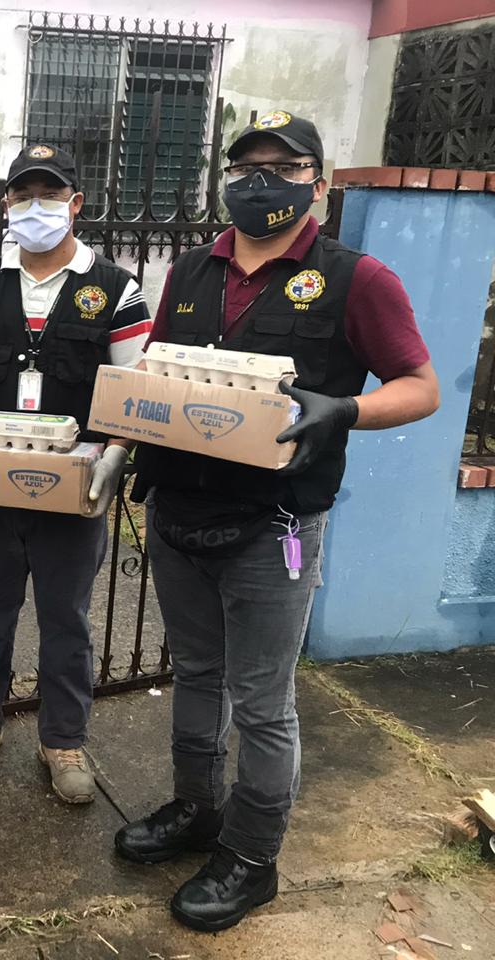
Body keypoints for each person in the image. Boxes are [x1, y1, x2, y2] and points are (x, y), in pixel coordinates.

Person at [113, 111, 439, 932]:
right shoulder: (192, 269)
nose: (261, 182)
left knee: (262, 702)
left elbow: (421, 387)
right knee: (196, 674)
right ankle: (198, 809)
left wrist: (346, 410)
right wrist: (125, 438)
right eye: (246, 166)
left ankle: (253, 858)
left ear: (316, 184)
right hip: (180, 513)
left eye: (284, 167)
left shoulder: (357, 278)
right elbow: (160, 370)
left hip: (273, 527)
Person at [0, 144, 151, 801]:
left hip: (71, 496)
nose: (35, 207)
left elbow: (135, 391)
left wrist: (114, 457)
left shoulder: (116, 289)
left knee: (66, 620)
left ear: (75, 204)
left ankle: (64, 741)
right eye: (23, 195)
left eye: (49, 195)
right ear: (6, 205)